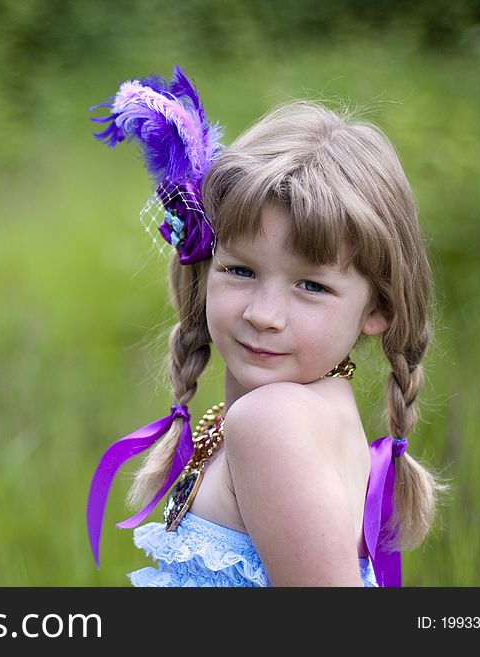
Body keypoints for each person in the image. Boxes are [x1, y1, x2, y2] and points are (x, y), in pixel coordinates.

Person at [85, 67, 449, 587]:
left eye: (312, 286)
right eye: (240, 270)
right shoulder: (311, 406)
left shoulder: (272, 421)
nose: (263, 314)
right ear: (205, 264)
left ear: (378, 308)